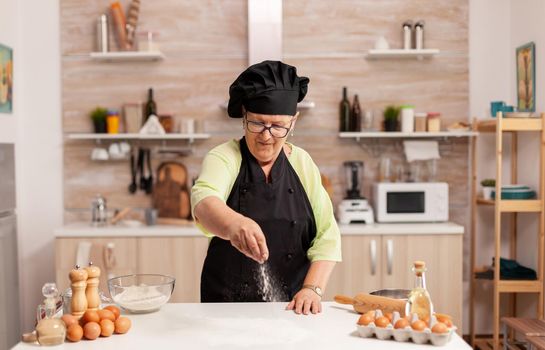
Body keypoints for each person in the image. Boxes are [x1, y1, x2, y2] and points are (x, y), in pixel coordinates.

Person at [191, 60, 341, 315]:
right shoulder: (224, 157)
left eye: (278, 126)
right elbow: (204, 201)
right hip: (226, 308)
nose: (266, 135)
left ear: (293, 122)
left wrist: (312, 289)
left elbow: (327, 236)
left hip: (293, 308)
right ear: (244, 115)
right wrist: (234, 224)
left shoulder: (302, 163)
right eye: (258, 123)